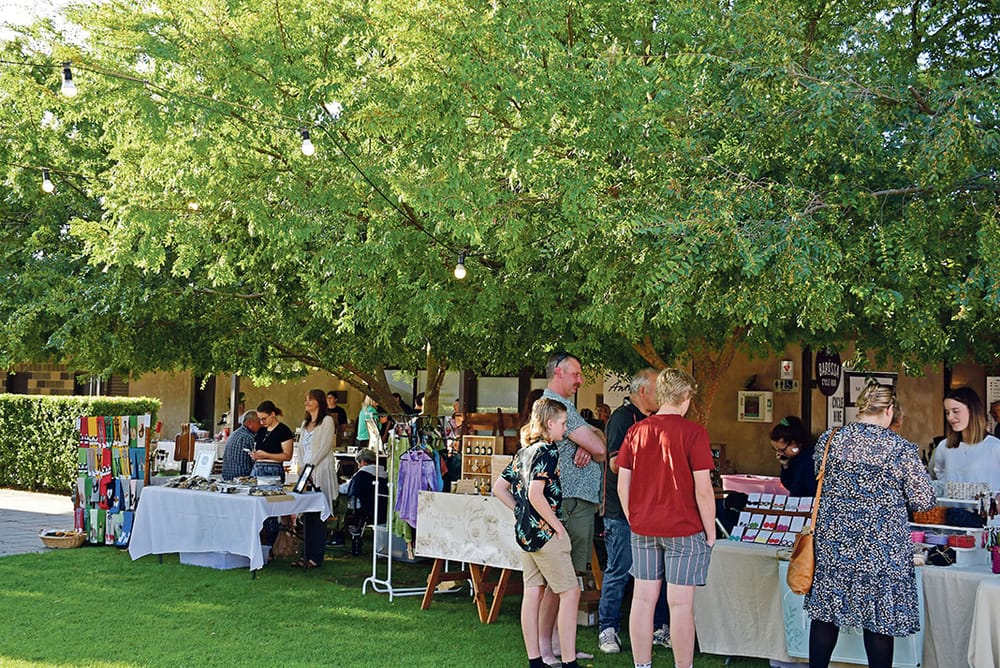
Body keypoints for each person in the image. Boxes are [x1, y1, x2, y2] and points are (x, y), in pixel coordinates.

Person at [806, 383, 935, 668]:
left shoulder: (831, 439)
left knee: (825, 615)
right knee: (878, 620)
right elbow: (923, 500)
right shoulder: (898, 448)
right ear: (889, 411)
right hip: (880, 548)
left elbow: (819, 477)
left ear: (861, 408)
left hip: (834, 543)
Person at [618, 368, 716, 668]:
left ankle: (642, 665)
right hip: (684, 529)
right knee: (681, 604)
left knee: (643, 600)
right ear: (685, 397)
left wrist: (633, 517)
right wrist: (711, 532)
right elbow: (703, 490)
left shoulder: (636, 431)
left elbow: (623, 483)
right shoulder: (694, 433)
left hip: (644, 527)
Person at [493, 398, 581, 668]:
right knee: (570, 592)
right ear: (549, 423)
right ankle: (569, 661)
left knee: (533, 592)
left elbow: (499, 488)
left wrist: (522, 513)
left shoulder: (524, 451)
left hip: (526, 533)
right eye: (563, 423)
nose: (565, 430)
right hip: (544, 534)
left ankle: (536, 661)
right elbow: (536, 494)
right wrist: (557, 526)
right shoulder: (548, 451)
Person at [538, 352, 606, 665]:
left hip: (575, 500)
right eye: (576, 374)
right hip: (568, 501)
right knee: (560, 579)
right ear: (560, 372)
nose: (580, 380)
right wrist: (589, 441)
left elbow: (597, 442)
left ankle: (558, 645)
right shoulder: (558, 406)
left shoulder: (566, 408)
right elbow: (601, 449)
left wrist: (589, 438)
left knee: (564, 579)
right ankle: (549, 648)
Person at [598, 368, 667, 655]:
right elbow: (615, 463)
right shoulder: (622, 419)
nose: (662, 396)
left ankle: (659, 627)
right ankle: (608, 629)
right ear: (643, 391)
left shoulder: (656, 419)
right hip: (621, 510)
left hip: (651, 508)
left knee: (657, 571)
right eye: (657, 390)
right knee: (620, 568)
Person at [293, 389, 338, 569]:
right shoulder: (305, 423)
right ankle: (305, 553)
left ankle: (316, 556)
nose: (306, 402)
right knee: (307, 516)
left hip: (320, 471)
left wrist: (310, 465)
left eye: (309, 399)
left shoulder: (327, 421)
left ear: (318, 402)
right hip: (306, 473)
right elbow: (301, 448)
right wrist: (302, 466)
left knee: (319, 516)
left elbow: (325, 447)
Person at [932, 386, 1000, 489]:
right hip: (951, 505)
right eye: (947, 412)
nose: (950, 417)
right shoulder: (944, 446)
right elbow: (939, 471)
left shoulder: (995, 446)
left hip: (986, 505)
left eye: (955, 411)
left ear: (972, 411)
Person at [338, 448, 387, 556]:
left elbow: (346, 489)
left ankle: (337, 534)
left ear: (363, 462)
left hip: (363, 507)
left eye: (358, 463)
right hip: (381, 506)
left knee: (338, 501)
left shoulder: (361, 474)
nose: (358, 466)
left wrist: (335, 487)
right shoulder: (384, 473)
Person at [770, 416, 817, 497]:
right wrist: (785, 466)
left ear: (793, 443)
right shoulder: (793, 458)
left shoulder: (810, 459)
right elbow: (789, 485)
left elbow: (799, 489)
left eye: (782, 450)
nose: (779, 454)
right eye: (775, 449)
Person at [250, 400, 294, 481]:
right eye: (260, 420)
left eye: (264, 419)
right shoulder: (261, 430)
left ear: (273, 414)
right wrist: (255, 455)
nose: (262, 422)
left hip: (273, 469)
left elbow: (287, 456)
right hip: (257, 467)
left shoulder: (283, 430)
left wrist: (266, 455)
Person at [220, 411, 261, 480]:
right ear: (250, 422)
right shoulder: (248, 437)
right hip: (242, 478)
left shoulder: (234, 433)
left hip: (227, 476)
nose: (261, 425)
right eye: (259, 422)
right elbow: (255, 461)